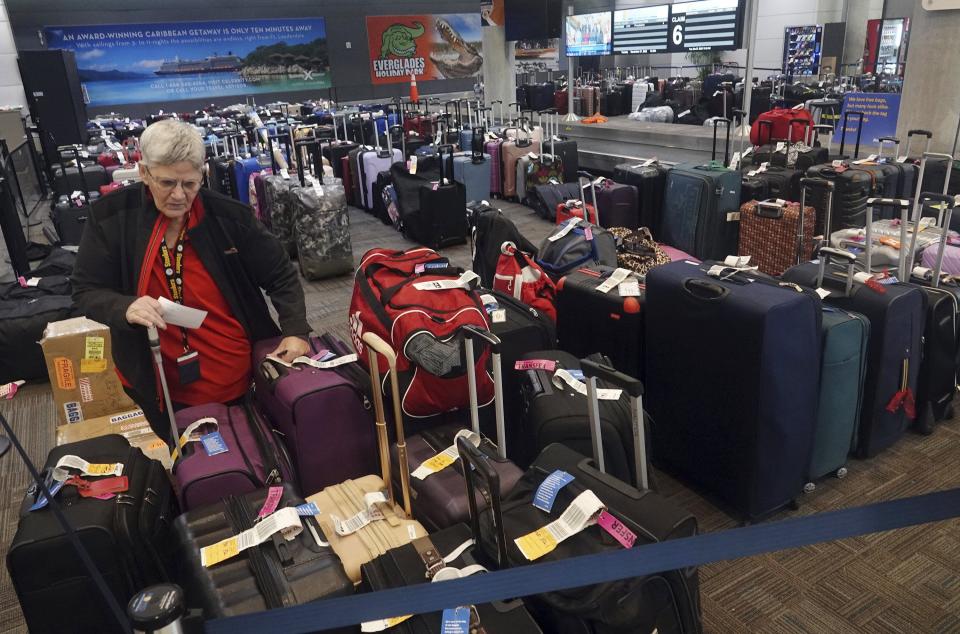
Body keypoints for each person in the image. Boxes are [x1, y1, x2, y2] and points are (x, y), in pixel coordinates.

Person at [72, 119, 311, 443]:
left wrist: (296, 330)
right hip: (155, 381)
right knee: (188, 463)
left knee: (249, 457)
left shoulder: (229, 217)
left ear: (203, 175)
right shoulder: (111, 217)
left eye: (190, 184)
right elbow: (84, 290)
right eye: (167, 182)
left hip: (239, 378)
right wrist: (124, 306)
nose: (179, 196)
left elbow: (280, 273)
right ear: (144, 173)